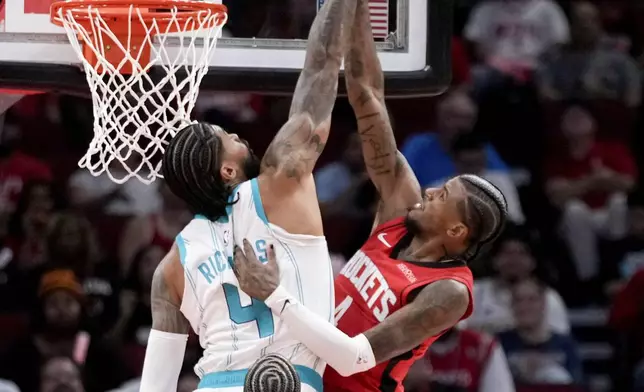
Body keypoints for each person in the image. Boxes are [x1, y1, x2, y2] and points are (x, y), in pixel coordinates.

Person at [231, 2, 509, 391]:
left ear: (458, 230)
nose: (429, 191)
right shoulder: (401, 212)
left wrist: (275, 294)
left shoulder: (449, 291)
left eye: (443, 194)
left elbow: (352, 358)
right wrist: (356, 9)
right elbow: (368, 96)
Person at [138, 0, 356, 390]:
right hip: (288, 382)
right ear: (227, 171)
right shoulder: (279, 184)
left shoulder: (172, 263)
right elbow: (322, 64)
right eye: (229, 139)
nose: (240, 137)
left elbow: (155, 385)